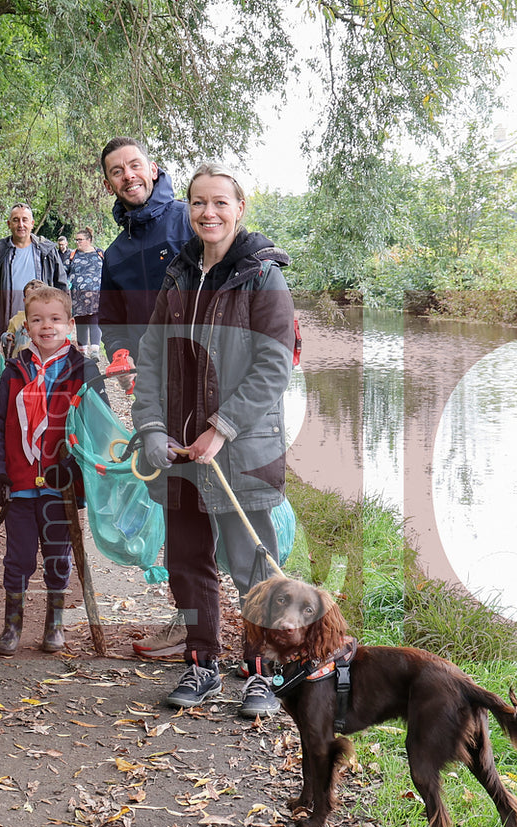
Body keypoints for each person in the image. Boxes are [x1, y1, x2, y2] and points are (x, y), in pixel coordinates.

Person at [130, 163, 295, 719]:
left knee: (251, 565)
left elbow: (273, 366)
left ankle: (263, 672)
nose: (208, 213)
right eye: (198, 203)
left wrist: (221, 429)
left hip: (242, 452)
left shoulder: (263, 275)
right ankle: (201, 664)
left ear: (240, 208)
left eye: (220, 203)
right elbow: (150, 356)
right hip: (179, 453)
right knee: (188, 560)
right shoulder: (177, 275)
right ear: (188, 209)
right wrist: (151, 426)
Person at [0, 285, 103, 656]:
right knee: (17, 557)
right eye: (37, 320)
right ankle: (12, 625)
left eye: (54, 320)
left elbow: (99, 427)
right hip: (20, 485)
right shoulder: (15, 369)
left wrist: (80, 463)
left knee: (57, 555)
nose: (46, 326)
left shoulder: (84, 369)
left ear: (70, 324)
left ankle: (54, 624)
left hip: (60, 486)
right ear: (26, 325)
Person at [98, 137, 194, 376]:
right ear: (108, 185)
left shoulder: (192, 220)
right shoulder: (114, 255)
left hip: (203, 372)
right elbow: (112, 321)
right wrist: (120, 353)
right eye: (117, 171)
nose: (128, 175)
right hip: (149, 382)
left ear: (153, 170)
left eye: (135, 165)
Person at [0, 204, 67, 343]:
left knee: (41, 358)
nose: (21, 224)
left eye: (25, 220)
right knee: (9, 360)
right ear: (9, 224)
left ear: (32, 223)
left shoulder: (47, 251)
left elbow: (61, 285)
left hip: (42, 319)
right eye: (16, 220)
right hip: (7, 321)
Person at [66, 227, 104, 358]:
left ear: (89, 240)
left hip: (96, 295)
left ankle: (95, 351)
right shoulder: (72, 255)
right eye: (76, 240)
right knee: (81, 321)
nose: (77, 242)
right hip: (77, 296)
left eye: (80, 240)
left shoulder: (100, 254)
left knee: (94, 319)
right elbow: (63, 273)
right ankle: (82, 353)